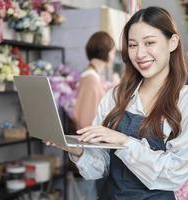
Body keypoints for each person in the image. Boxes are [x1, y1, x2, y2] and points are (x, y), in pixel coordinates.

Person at [47, 6, 188, 199]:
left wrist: (123, 141)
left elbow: (174, 173)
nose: (139, 54)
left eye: (149, 42)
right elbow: (100, 167)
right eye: (132, 45)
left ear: (172, 43)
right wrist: (75, 148)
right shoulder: (115, 96)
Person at [71, 31, 115, 200]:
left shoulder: (93, 76)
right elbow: (86, 119)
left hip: (94, 148)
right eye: (112, 50)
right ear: (106, 51)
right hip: (92, 150)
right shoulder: (90, 79)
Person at [73, 31, 116, 129]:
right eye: (113, 52)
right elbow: (85, 121)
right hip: (91, 140)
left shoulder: (91, 77)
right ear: (108, 52)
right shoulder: (91, 80)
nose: (113, 57)